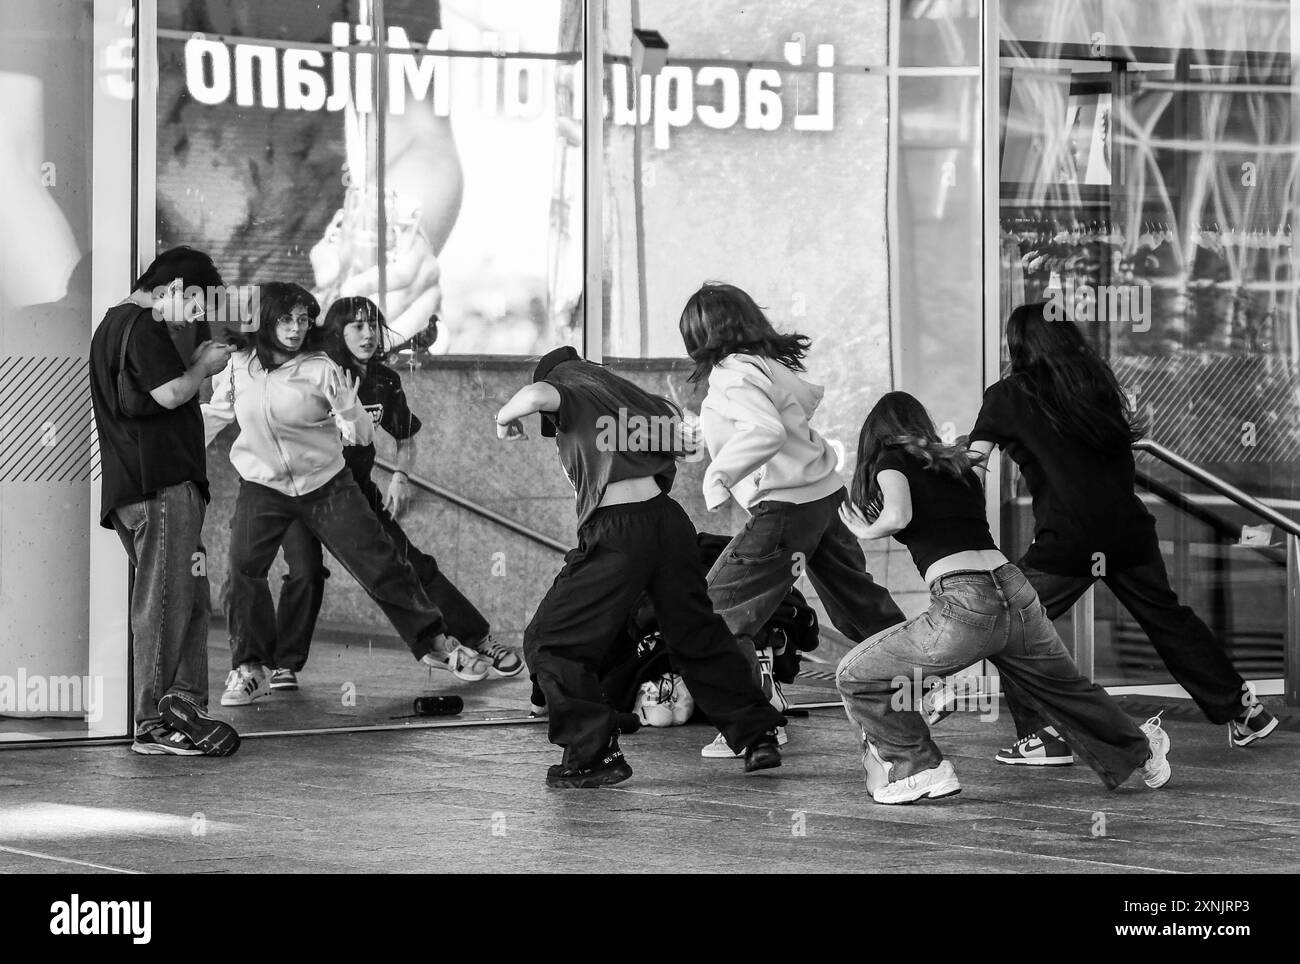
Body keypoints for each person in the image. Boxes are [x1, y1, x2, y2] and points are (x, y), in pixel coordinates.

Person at [968, 302, 1277, 765]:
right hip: (1128, 532)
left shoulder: (1006, 396)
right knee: (1168, 619)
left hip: (1068, 539)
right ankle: (1243, 708)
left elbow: (975, 462)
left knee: (1010, 625)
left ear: (1019, 346)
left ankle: (1041, 736)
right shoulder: (1096, 386)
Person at [835, 391, 1172, 804]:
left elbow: (899, 515)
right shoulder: (958, 465)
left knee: (857, 674)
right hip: (1014, 588)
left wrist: (866, 531)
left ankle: (918, 768)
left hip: (963, 598)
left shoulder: (890, 459)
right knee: (1064, 688)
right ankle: (1143, 748)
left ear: (877, 434)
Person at [496, 346, 785, 788]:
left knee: (549, 641)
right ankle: (757, 732)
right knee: (694, 633)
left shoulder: (569, 388)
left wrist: (504, 418)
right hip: (667, 525)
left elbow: (536, 395)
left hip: (619, 534)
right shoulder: (630, 403)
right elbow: (686, 444)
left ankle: (595, 753)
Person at [202, 282, 487, 706]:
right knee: (242, 569)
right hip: (263, 486)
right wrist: (171, 450)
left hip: (327, 485)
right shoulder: (240, 365)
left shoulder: (320, 366)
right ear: (267, 320)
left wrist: (351, 412)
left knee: (380, 563)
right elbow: (216, 415)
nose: (296, 329)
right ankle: (249, 669)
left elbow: (359, 434)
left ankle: (437, 644)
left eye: (303, 319)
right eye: (286, 319)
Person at [678, 282, 906, 758]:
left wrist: (717, 476)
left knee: (716, 612)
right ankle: (925, 681)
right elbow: (783, 421)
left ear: (700, 334)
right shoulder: (769, 365)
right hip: (824, 497)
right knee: (857, 603)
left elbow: (763, 430)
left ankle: (756, 721)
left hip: (783, 509)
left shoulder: (731, 373)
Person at [260, 296, 519, 689]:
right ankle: (285, 664)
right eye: (357, 326)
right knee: (305, 572)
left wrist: (401, 475)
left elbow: (406, 436)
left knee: (412, 565)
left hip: (356, 496)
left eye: (373, 325)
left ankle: (478, 640)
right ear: (336, 331)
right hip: (303, 491)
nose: (368, 334)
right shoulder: (318, 371)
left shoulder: (384, 380)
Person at [88, 246, 241, 756]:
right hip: (160, 489)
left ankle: (183, 709)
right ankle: (156, 720)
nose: (197, 319)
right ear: (174, 289)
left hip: (145, 489)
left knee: (188, 596)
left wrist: (194, 366)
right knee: (164, 600)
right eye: (196, 307)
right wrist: (200, 368)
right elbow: (170, 395)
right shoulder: (142, 324)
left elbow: (149, 399)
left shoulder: (116, 327)